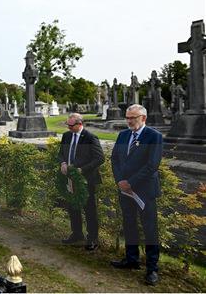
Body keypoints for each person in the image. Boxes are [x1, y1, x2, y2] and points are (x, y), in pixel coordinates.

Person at [110, 104, 162, 286]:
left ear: (143, 118)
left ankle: (152, 269)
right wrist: (120, 181)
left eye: (133, 117)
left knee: (150, 230)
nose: (130, 121)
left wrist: (130, 182)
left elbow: (152, 165)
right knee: (129, 224)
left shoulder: (154, 136)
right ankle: (131, 259)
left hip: (145, 192)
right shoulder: (123, 135)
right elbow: (115, 159)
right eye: (127, 117)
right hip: (125, 191)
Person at [57, 113, 104, 250]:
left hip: (86, 180)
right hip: (70, 179)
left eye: (71, 126)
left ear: (79, 124)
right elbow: (61, 153)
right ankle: (77, 234)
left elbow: (100, 158)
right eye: (68, 125)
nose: (69, 128)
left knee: (89, 210)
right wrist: (63, 163)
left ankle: (92, 239)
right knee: (73, 207)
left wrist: (82, 170)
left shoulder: (90, 137)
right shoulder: (66, 136)